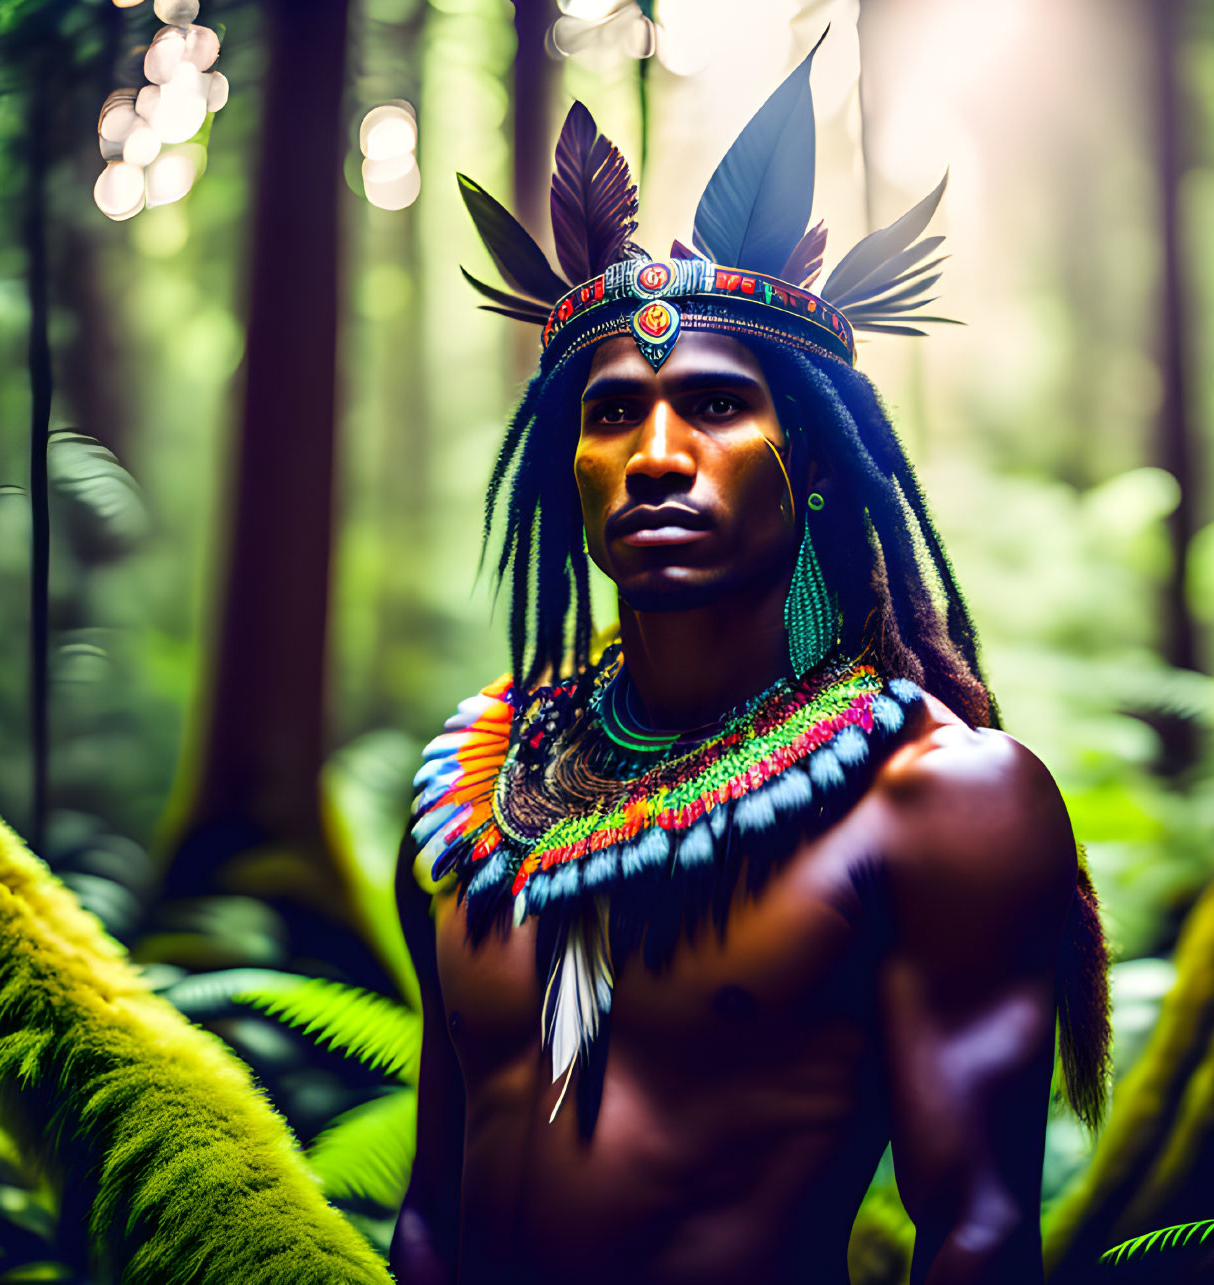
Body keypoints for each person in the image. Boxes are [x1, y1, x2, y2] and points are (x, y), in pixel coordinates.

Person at [391, 38, 1109, 1285]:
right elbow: (430, 1213)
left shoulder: (944, 804)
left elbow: (981, 1241)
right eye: (611, 411)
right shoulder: (477, 792)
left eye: (719, 404)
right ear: (570, 469)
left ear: (818, 462)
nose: (656, 451)